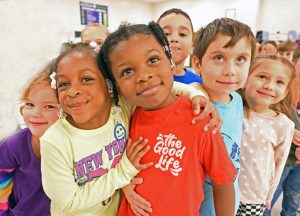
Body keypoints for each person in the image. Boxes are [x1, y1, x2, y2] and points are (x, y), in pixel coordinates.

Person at [40, 42, 221, 216]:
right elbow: (69, 201)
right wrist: (123, 173)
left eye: (86, 79)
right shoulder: (54, 141)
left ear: (110, 85)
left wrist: (196, 94)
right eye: (64, 84)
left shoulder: (122, 108)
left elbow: (158, 85)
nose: (73, 91)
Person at [98, 22, 236, 216]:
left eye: (153, 59)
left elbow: (223, 183)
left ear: (170, 62)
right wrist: (125, 185)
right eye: (127, 71)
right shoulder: (125, 118)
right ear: (117, 86)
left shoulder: (201, 118)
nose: (144, 76)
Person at [192, 17, 256, 215]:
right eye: (219, 57)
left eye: (241, 59)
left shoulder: (237, 100)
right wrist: (196, 92)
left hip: (228, 203)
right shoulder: (193, 104)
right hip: (198, 207)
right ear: (197, 64)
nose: (230, 71)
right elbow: (187, 89)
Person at [237, 55, 295, 216]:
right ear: (245, 79)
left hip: (254, 197)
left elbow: (279, 164)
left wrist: (269, 196)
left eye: (279, 82)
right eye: (262, 77)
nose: (269, 86)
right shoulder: (232, 109)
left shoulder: (284, 125)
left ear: (285, 92)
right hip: (219, 190)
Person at [0, 62, 60, 216]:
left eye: (49, 106)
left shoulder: (71, 144)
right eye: (30, 104)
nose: (36, 113)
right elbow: (1, 180)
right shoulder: (13, 146)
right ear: (22, 110)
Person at [263, 48, 300, 216]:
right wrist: (288, 131)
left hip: (297, 160)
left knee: (293, 197)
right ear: (294, 63)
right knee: (268, 201)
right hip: (282, 157)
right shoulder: (280, 85)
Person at [157, 8, 202, 84]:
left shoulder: (199, 83)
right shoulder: (146, 80)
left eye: (182, 34)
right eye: (166, 33)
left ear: (192, 46)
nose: (174, 39)